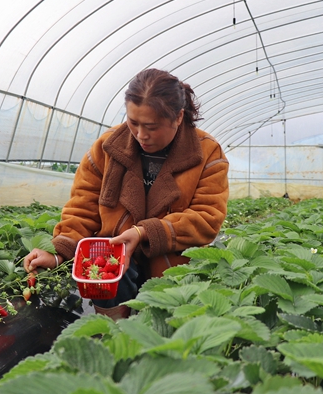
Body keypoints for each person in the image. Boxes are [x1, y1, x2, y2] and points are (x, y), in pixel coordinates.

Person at [23, 68, 229, 319]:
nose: (141, 135)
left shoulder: (205, 153)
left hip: (173, 267)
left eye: (151, 126)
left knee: (166, 327)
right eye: (133, 123)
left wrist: (144, 232)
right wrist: (58, 252)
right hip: (116, 263)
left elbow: (207, 217)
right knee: (110, 288)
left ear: (178, 117)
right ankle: (111, 333)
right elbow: (83, 204)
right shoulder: (108, 147)